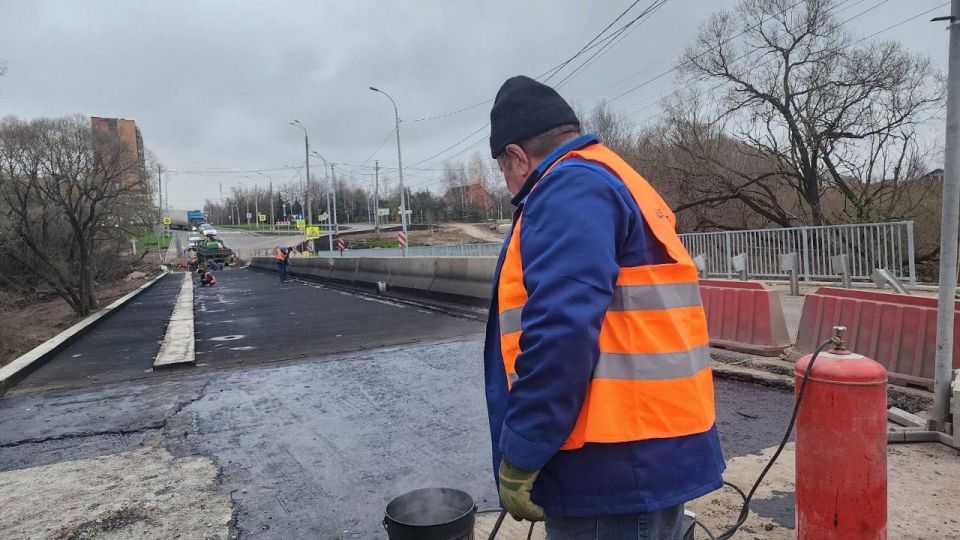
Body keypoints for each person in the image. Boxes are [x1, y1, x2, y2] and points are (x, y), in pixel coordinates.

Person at [484, 76, 725, 539]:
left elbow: (561, 331)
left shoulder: (567, 187)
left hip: (610, 465)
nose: (512, 185)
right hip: (651, 453)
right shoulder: (616, 176)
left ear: (516, 156)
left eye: (504, 170)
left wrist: (523, 451)